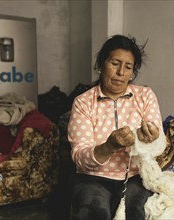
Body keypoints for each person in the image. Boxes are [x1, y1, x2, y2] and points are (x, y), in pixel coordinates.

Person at [68, 34, 165, 220]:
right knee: (95, 212)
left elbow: (157, 144)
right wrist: (109, 147)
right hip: (92, 177)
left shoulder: (145, 96)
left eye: (128, 67)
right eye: (115, 63)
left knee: (134, 212)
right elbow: (79, 156)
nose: (121, 72)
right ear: (101, 64)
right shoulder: (83, 102)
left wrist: (150, 139)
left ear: (132, 72)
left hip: (135, 176)